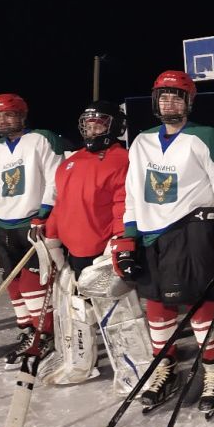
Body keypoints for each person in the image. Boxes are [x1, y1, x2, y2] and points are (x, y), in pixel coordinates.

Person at [115, 71, 214, 417]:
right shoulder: (141, 141)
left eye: (176, 97)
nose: (169, 103)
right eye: (163, 97)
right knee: (157, 308)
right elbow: (133, 193)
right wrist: (128, 235)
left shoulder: (205, 137)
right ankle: (164, 368)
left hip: (192, 231)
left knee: (202, 306)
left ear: (189, 102)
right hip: (151, 235)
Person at [41, 100, 150, 393]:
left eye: (99, 124)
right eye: (88, 124)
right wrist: (52, 236)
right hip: (73, 253)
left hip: (104, 252)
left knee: (118, 316)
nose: (92, 129)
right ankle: (79, 364)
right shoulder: (70, 162)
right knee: (75, 311)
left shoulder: (122, 160)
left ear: (114, 127)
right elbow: (61, 204)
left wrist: (119, 242)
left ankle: (134, 370)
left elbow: (122, 205)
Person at [0, 93, 63, 369]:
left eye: (9, 114)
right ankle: (27, 329)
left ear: (22, 115)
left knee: (33, 284)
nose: (3, 120)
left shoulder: (41, 140)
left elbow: (55, 179)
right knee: (12, 282)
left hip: (33, 224)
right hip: (3, 227)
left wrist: (44, 213)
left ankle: (44, 334)